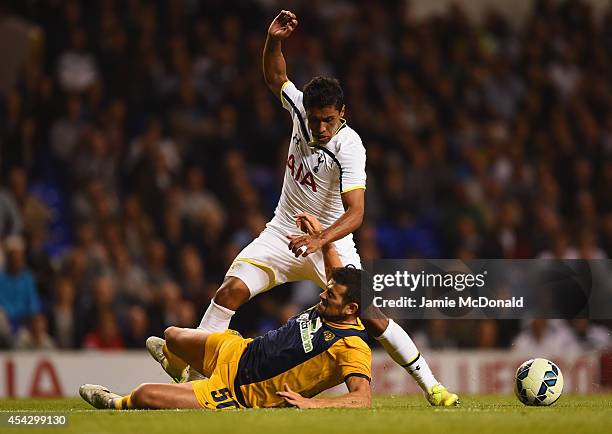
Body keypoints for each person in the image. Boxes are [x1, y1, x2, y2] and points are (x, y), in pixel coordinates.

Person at [164, 10, 457, 405]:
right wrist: (274, 40)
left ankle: (433, 388)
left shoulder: (350, 147)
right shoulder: (301, 109)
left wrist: (320, 237)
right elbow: (275, 77)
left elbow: (355, 213)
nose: (321, 128)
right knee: (229, 292)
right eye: (317, 120)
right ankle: (193, 379)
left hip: (330, 241)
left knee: (372, 315)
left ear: (342, 115)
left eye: (329, 121)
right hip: (283, 232)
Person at [79, 231, 371, 410]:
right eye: (326, 290)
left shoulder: (352, 347)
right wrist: (322, 237)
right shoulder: (336, 299)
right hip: (239, 351)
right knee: (172, 336)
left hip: (237, 391)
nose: (322, 297)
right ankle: (179, 370)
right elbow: (336, 273)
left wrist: (312, 404)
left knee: (144, 394)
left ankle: (114, 403)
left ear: (351, 309)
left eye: (331, 297)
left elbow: (362, 398)